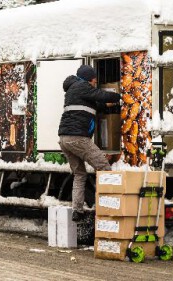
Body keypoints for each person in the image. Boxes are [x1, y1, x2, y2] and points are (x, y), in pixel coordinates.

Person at [58, 65, 121, 222]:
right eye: (94, 80)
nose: (95, 83)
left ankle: (77, 211)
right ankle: (109, 208)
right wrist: (119, 96)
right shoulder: (81, 86)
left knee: (80, 174)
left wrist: (107, 106)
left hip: (65, 139)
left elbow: (95, 104)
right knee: (104, 167)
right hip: (78, 138)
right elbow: (100, 95)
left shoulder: (75, 90)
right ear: (88, 79)